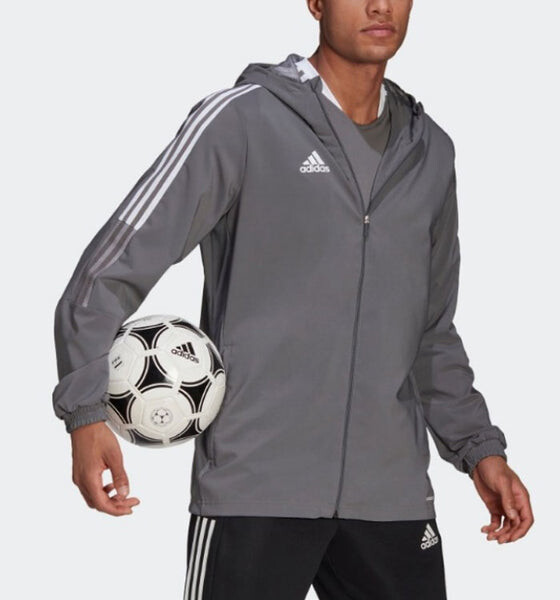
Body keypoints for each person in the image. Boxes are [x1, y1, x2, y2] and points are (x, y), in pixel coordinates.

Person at [53, 1, 534, 598]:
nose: (380, 5)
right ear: (316, 2)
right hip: (255, 490)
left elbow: (431, 330)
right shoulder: (242, 121)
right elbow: (111, 266)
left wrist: (480, 450)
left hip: (392, 498)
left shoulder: (429, 151)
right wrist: (85, 411)